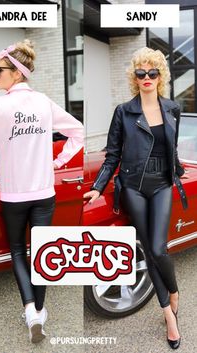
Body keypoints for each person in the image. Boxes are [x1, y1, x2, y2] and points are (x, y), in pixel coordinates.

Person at [0, 39, 83, 343]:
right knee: (40, 252)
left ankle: (30, 310)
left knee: (18, 250)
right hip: (44, 193)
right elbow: (77, 131)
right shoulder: (44, 102)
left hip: (14, 196)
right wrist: (57, 162)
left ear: (16, 73)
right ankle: (39, 312)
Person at [84, 47, 186, 350]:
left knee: (158, 247)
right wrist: (99, 186)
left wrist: (178, 173)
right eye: (140, 72)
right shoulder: (123, 111)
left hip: (162, 183)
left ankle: (174, 291)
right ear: (134, 76)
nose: (146, 77)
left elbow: (172, 149)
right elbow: (112, 154)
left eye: (152, 72)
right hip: (133, 185)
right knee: (152, 250)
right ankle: (169, 313)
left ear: (160, 75)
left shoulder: (173, 108)